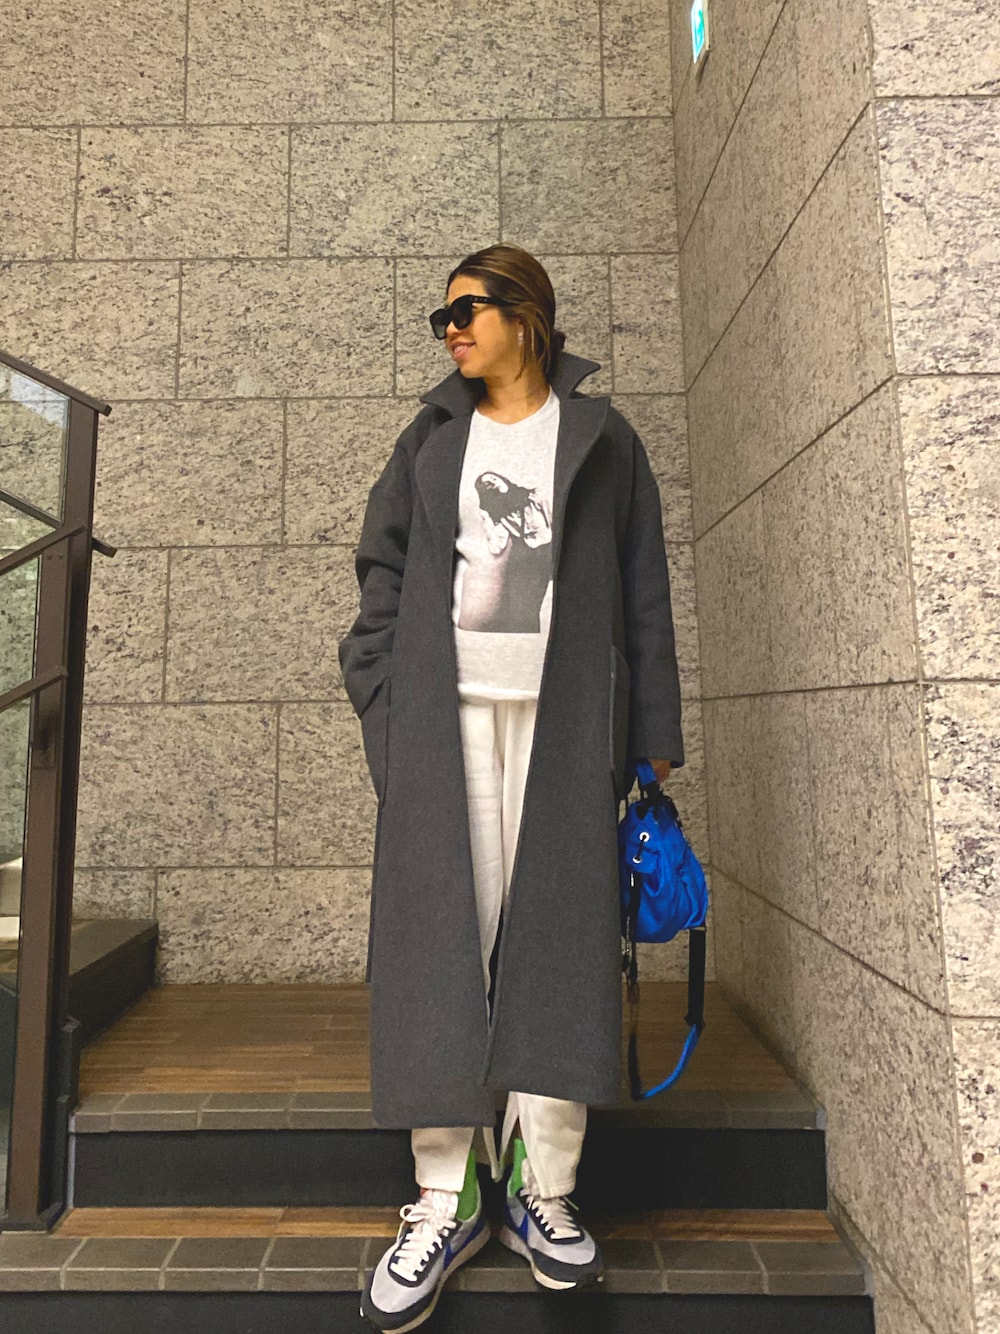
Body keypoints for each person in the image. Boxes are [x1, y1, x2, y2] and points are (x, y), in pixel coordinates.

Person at [339, 243, 684, 1332]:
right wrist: (385, 700)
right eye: (442, 313)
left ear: (526, 315)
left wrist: (651, 736)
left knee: (559, 942)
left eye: (469, 308)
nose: (450, 327)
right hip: (444, 725)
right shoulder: (432, 437)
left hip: (566, 723)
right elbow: (382, 568)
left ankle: (546, 1188)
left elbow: (643, 588)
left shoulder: (603, 439)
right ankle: (446, 1193)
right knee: (444, 939)